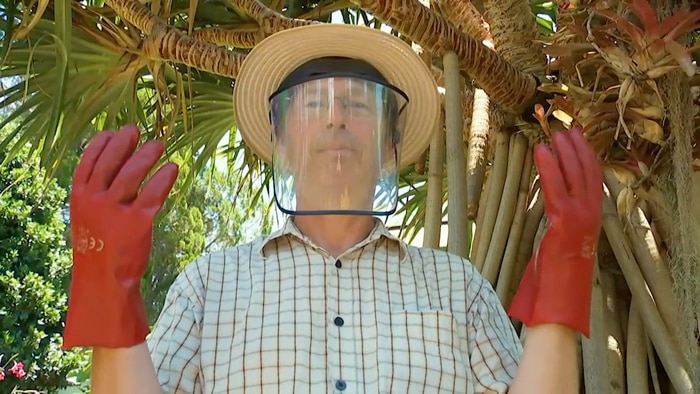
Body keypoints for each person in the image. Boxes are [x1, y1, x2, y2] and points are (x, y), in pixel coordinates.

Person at [61, 23, 603, 393]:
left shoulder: (456, 287)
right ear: (282, 138)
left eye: (359, 103)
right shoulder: (210, 283)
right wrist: (106, 285)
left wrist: (567, 266)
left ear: (391, 140)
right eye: (314, 104)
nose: (336, 116)